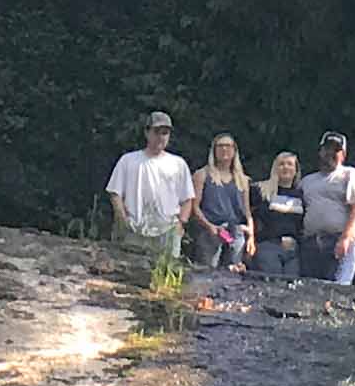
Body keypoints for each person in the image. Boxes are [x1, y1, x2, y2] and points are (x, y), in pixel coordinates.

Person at [105, 112, 194, 263]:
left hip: (168, 230)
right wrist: (122, 218)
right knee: (129, 271)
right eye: (156, 132)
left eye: (165, 133)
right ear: (147, 133)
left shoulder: (178, 164)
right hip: (133, 229)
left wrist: (181, 223)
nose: (161, 137)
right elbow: (115, 193)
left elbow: (188, 198)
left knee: (166, 274)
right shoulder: (128, 160)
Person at [298, 131, 355, 288]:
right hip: (310, 245)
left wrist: (347, 238)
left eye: (336, 150)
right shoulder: (306, 181)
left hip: (338, 242)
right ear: (320, 151)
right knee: (308, 292)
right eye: (327, 149)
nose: (330, 153)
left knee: (337, 291)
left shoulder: (351, 175)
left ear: (343, 155)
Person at [193, 136, 255, 274]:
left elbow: (247, 211)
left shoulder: (243, 180)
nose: (224, 149)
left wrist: (251, 236)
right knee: (207, 274)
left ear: (234, 150)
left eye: (228, 145)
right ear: (213, 150)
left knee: (233, 274)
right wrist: (209, 226)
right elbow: (195, 206)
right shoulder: (202, 174)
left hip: (236, 233)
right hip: (211, 231)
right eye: (220, 146)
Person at [255, 150, 303, 274]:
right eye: (281, 164)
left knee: (291, 287)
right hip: (268, 246)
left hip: (293, 251)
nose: (285, 167)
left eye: (289, 164)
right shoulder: (262, 191)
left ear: (296, 170)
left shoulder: (301, 195)